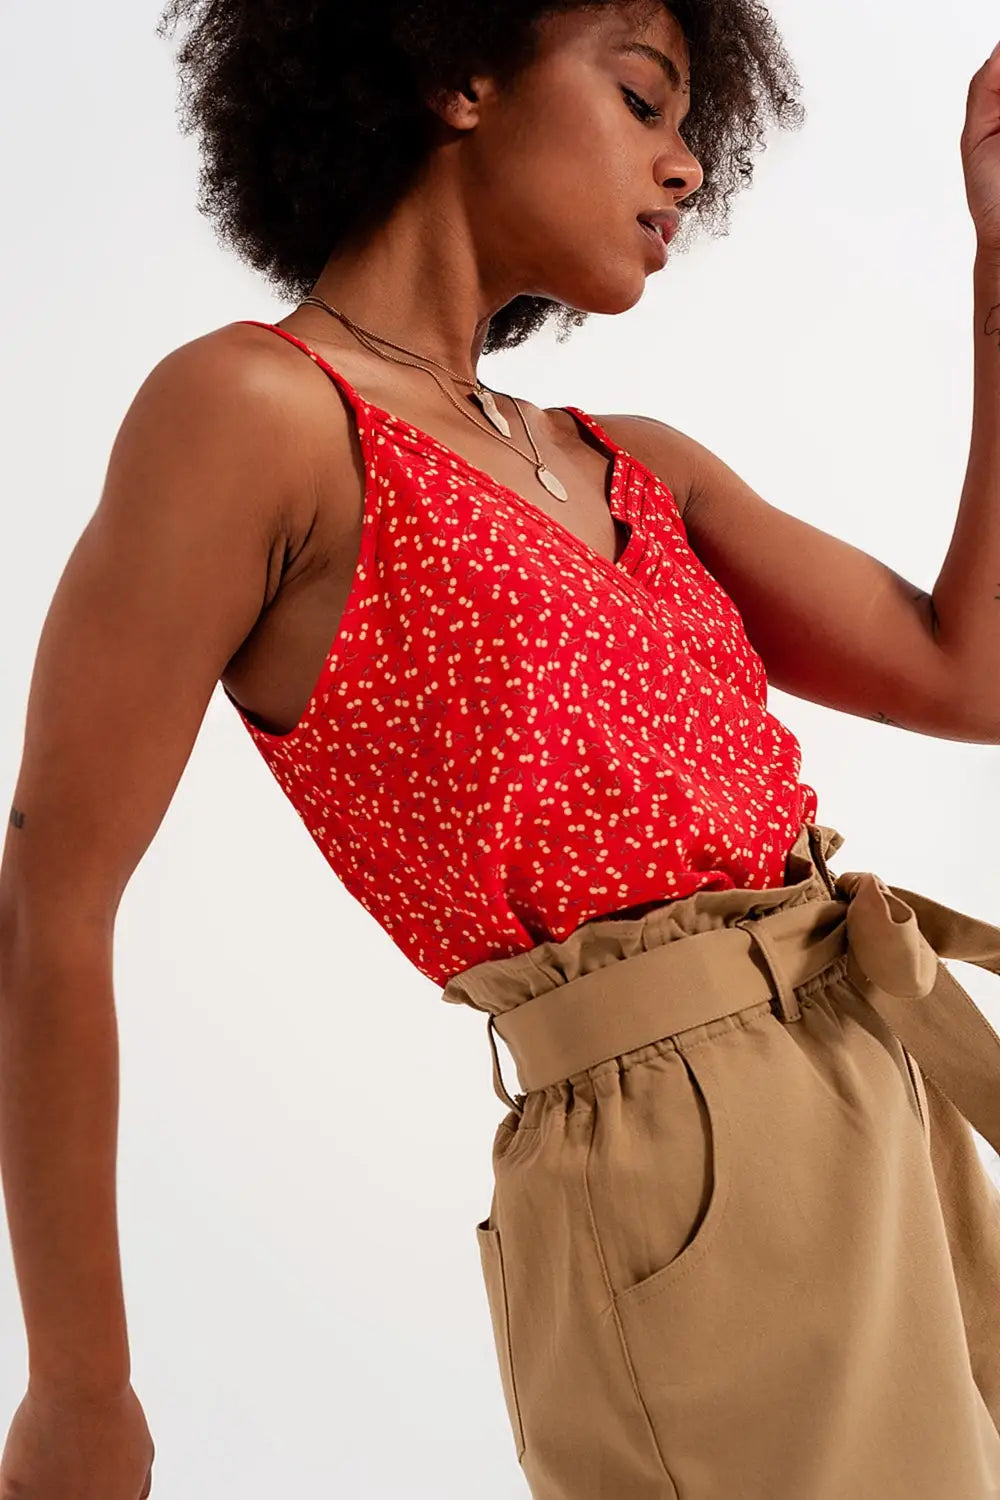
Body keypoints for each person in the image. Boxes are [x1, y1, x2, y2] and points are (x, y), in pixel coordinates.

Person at [2, 1, 1000, 1495]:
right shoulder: (257, 414)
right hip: (683, 1170)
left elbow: (970, 672)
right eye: (646, 100)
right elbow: (53, 899)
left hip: (888, 1093)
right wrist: (81, 1385)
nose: (688, 166)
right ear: (456, 72)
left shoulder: (635, 465)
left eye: (694, 127)